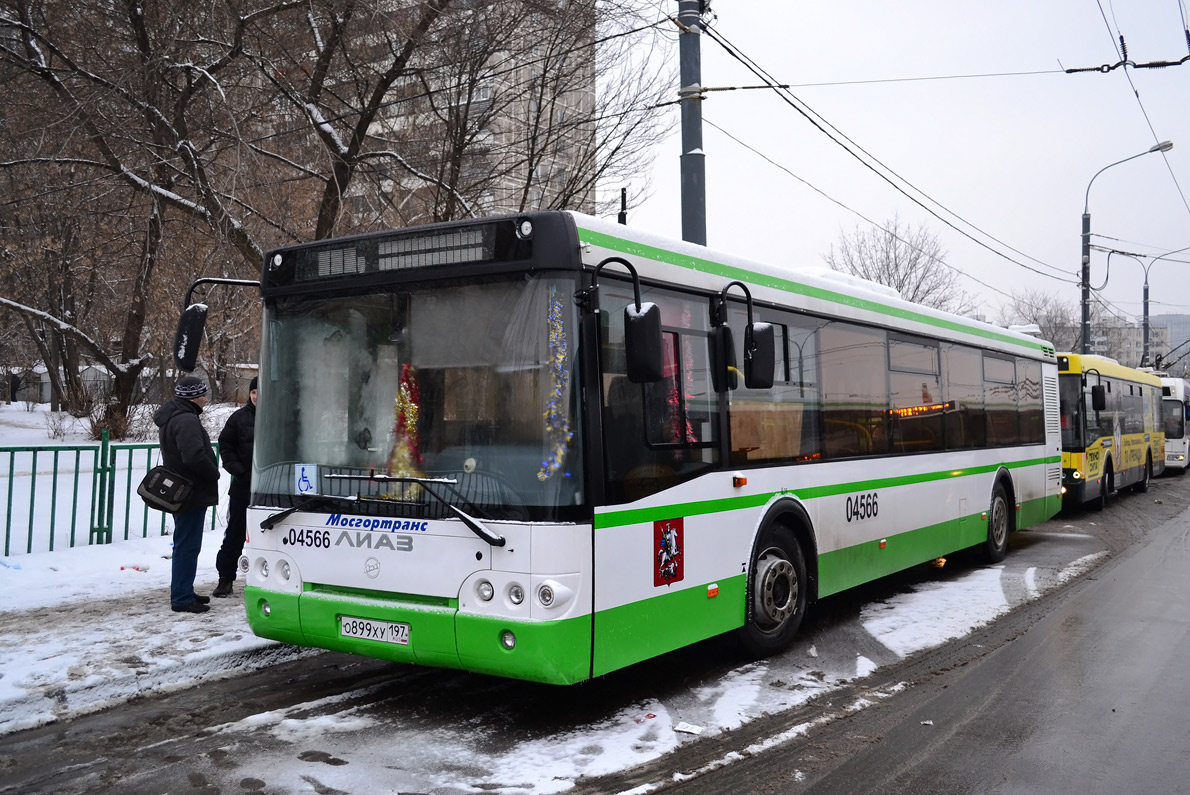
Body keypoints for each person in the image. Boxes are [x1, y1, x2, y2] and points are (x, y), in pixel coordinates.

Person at [154, 375, 220, 614]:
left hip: (182, 490)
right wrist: (213, 473)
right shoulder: (186, 420)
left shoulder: (175, 417)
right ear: (193, 396)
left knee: (185, 544)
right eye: (203, 393)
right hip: (190, 492)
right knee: (188, 546)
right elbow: (193, 456)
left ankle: (184, 590)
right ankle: (181, 597)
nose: (205, 398)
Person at [213, 375, 257, 597]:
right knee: (235, 534)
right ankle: (225, 578)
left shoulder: (280, 417)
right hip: (243, 487)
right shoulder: (238, 418)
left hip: (274, 489)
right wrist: (240, 471)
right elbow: (226, 447)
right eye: (254, 392)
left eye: (261, 392)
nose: (257, 397)